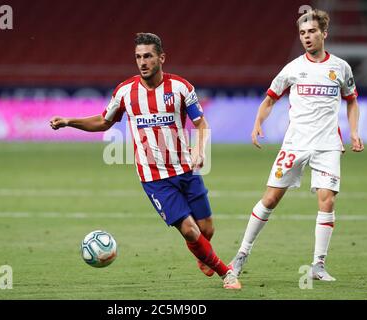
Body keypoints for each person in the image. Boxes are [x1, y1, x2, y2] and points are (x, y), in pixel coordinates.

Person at [50, 33, 240, 289]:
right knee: (189, 230)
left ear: (161, 58)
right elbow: (104, 121)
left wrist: (199, 149)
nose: (142, 62)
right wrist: (69, 122)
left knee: (206, 230)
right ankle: (226, 273)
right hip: (154, 178)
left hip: (186, 169)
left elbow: (201, 124)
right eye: (138, 57)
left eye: (148, 56)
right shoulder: (125, 92)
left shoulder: (182, 88)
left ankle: (202, 252)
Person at [228, 9, 364, 285]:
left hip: (327, 144)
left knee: (327, 199)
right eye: (302, 33)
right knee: (270, 199)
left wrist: (355, 132)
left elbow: (351, 100)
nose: (307, 37)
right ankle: (241, 254)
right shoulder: (292, 68)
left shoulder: (340, 68)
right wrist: (257, 124)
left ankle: (318, 264)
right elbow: (269, 99)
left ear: (324, 34)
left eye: (312, 31)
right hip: (295, 143)